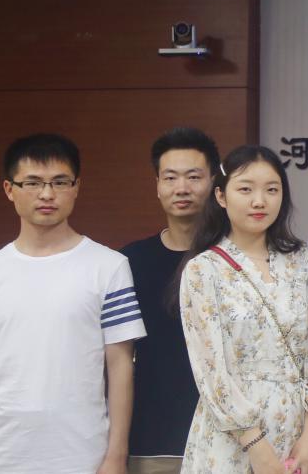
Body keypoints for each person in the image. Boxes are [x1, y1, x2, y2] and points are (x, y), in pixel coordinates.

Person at [0, 133, 145, 474]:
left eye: (59, 182)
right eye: (32, 183)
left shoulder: (109, 267)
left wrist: (116, 456)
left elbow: (120, 367)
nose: (47, 194)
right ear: (9, 189)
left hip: (80, 458)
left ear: (77, 187)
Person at [178, 145, 308, 474]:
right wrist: (257, 447)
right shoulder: (203, 270)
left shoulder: (302, 260)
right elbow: (212, 374)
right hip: (232, 439)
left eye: (271, 189)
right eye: (245, 189)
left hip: (299, 436)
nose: (259, 201)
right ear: (221, 196)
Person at [121, 127, 221, 474]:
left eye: (194, 177)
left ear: (214, 183)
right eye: (170, 177)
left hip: (226, 442)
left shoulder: (234, 258)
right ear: (158, 185)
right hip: (151, 441)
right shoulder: (129, 262)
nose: (182, 188)